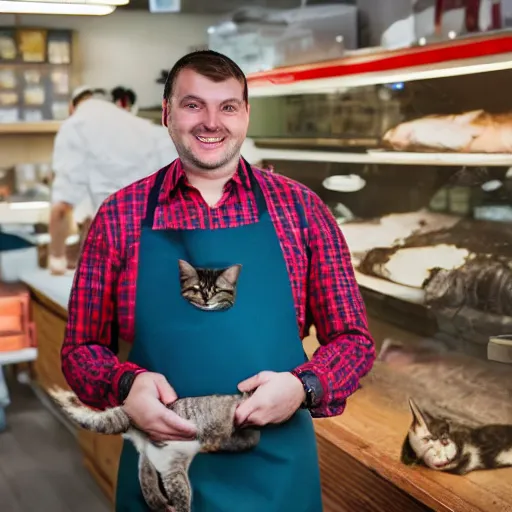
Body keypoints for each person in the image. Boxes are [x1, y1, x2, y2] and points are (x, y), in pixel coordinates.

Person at [60, 50, 376, 511]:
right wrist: (127, 387)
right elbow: (80, 350)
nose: (212, 122)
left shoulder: (302, 211)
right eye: (193, 105)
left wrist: (303, 387)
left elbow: (354, 341)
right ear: (167, 113)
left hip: (276, 479)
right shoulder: (120, 217)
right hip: (162, 479)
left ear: (246, 114)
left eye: (227, 106)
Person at [48, 84, 178, 275]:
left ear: (71, 108)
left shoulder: (75, 126)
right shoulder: (139, 126)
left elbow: (62, 207)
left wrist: (56, 259)